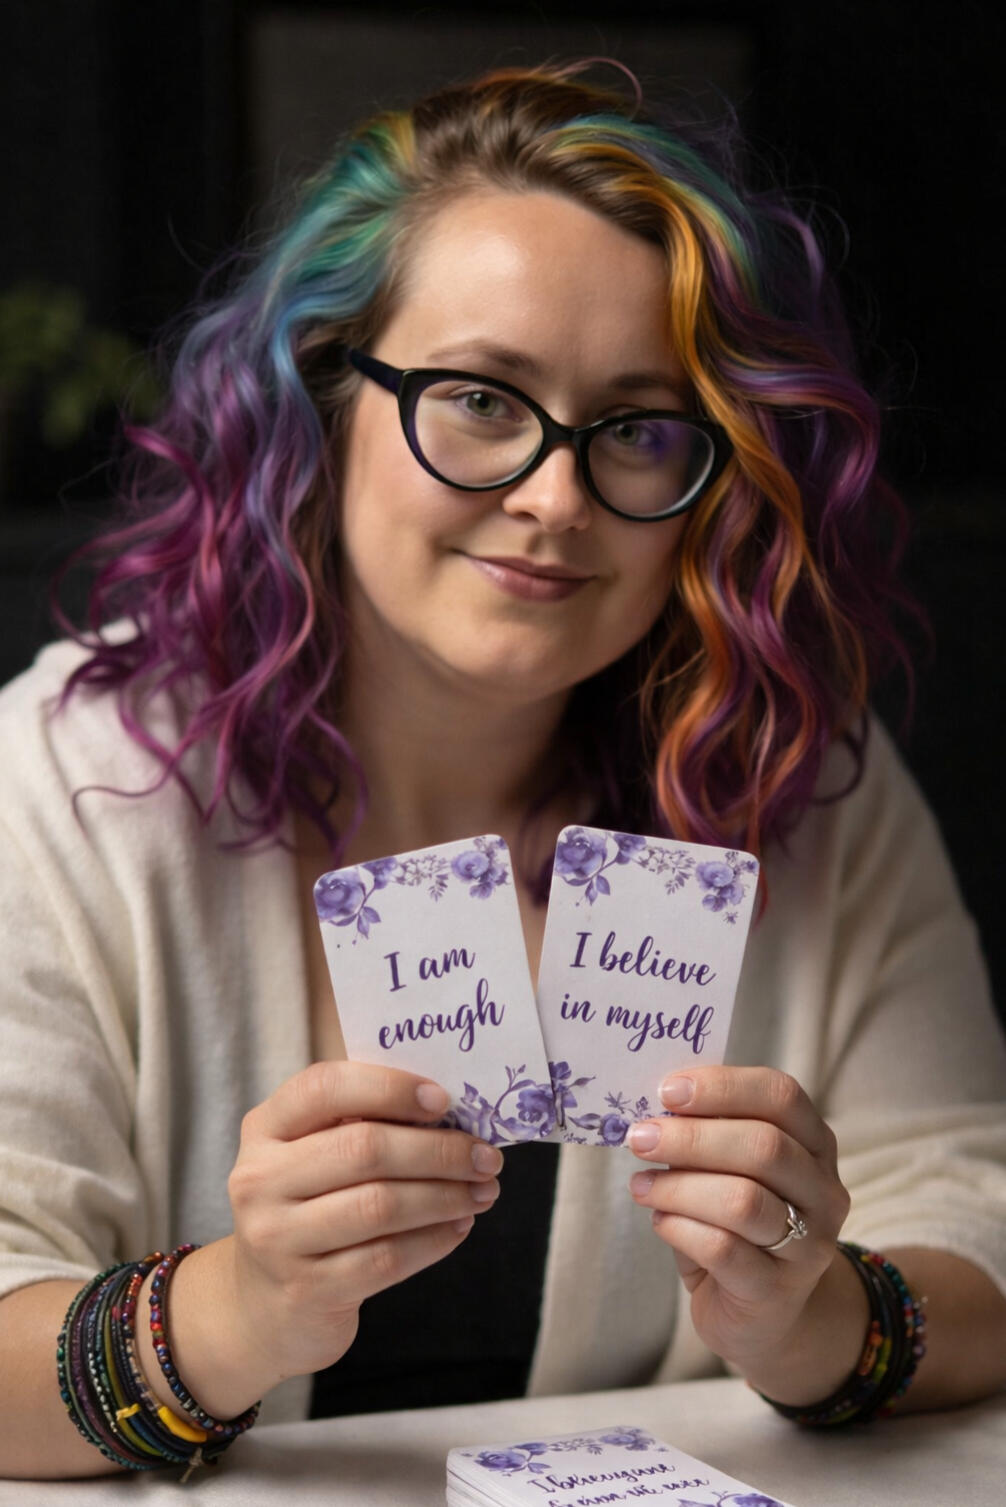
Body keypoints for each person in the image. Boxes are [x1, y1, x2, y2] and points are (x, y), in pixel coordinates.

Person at [1, 61, 1005, 1482]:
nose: (552, 497)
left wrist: (821, 1317)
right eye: (479, 397)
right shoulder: (66, 788)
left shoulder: (794, 769)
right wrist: (236, 1310)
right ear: (323, 399)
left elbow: (979, 1224)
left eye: (640, 430)